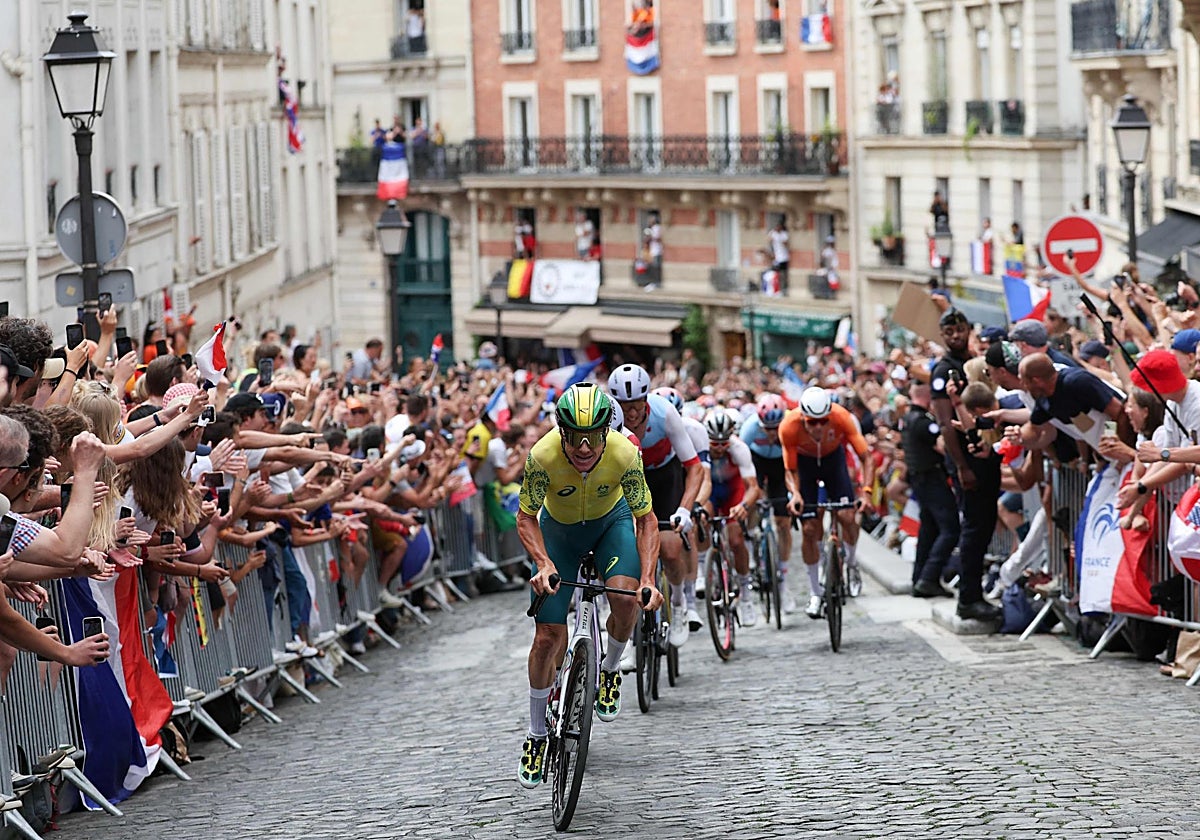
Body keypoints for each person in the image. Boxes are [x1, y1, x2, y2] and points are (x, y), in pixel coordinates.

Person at [517, 384, 663, 788]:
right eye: (575, 437)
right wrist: (544, 562)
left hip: (609, 526)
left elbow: (646, 520)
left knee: (624, 597)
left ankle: (611, 668)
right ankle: (535, 734)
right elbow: (526, 517)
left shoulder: (624, 454)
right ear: (561, 432)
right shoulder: (542, 456)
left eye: (594, 436)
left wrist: (648, 577)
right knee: (547, 634)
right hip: (558, 533)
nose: (584, 447)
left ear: (606, 432)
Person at [607, 364, 703, 646]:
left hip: (662, 475)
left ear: (647, 399)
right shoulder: (608, 416)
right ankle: (616, 623)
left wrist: (684, 509)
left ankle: (678, 602)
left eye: (637, 405)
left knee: (671, 549)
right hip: (626, 475)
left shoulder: (664, 413)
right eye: (625, 406)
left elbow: (694, 468)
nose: (632, 413)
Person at [929, 308, 1001, 622]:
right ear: (942, 335)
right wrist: (962, 466)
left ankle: (974, 593)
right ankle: (969, 598)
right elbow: (947, 424)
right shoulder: (943, 370)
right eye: (949, 332)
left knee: (983, 526)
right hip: (968, 458)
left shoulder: (971, 363)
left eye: (960, 330)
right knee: (974, 527)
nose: (956, 336)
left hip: (985, 452)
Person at [780, 387, 874, 619]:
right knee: (810, 530)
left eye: (823, 421)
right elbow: (790, 470)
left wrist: (867, 492)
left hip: (834, 462)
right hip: (806, 466)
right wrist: (796, 495)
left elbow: (866, 458)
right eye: (812, 423)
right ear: (803, 417)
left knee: (847, 516)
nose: (819, 428)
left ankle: (851, 563)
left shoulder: (842, 417)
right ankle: (815, 592)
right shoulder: (789, 426)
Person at [702, 411, 760, 626]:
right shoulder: (697, 445)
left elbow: (754, 487)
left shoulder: (739, 449)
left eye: (723, 444)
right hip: (710, 490)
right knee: (702, 517)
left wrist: (744, 505)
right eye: (714, 444)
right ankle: (704, 567)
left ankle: (745, 592)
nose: (718, 449)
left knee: (736, 540)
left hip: (733, 490)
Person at [901, 381, 959, 597]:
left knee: (929, 529)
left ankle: (920, 577)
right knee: (950, 529)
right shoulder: (923, 422)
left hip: (921, 479)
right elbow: (942, 445)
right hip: (931, 478)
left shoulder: (908, 418)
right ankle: (928, 577)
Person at [768, 218, 790, 295]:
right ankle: (777, 289)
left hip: (784, 257)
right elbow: (769, 241)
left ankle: (784, 289)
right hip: (777, 257)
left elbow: (787, 244)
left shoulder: (784, 234)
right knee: (776, 273)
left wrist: (781, 240)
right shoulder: (773, 233)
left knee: (784, 274)